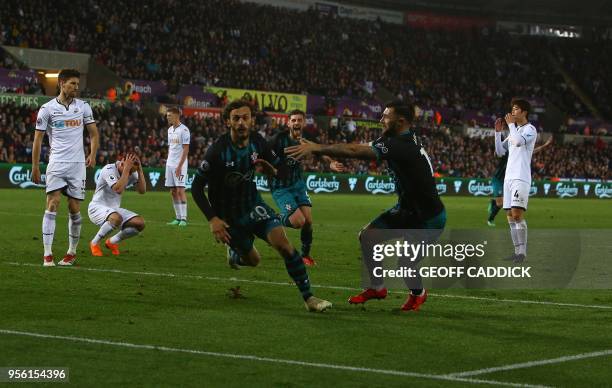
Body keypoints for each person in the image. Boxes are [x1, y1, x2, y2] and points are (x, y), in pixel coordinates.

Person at [286, 100, 446, 311]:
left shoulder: (400, 144)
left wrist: (317, 147)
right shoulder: (397, 137)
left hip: (427, 218)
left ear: (400, 121)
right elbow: (361, 148)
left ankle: (418, 294)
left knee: (405, 265)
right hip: (407, 209)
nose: (381, 119)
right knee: (368, 235)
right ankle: (377, 288)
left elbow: (354, 151)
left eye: (386, 116)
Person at [191, 100, 332, 312]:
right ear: (228, 122)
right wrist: (213, 220)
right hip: (229, 217)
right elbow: (196, 188)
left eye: (245, 118)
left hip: (254, 206)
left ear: (252, 121)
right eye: (236, 118)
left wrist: (272, 170)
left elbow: (282, 172)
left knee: (285, 246)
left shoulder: (259, 142)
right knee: (253, 260)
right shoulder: (217, 151)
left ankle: (309, 298)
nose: (241, 122)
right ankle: (235, 254)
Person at [32, 68, 99, 267]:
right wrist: (35, 166)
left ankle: (71, 252)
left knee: (74, 208)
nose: (76, 88)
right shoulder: (47, 109)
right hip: (57, 164)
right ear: (61, 84)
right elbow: (38, 140)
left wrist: (92, 153)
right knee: (52, 203)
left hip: (78, 165)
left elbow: (93, 134)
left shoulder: (84, 107)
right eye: (72, 84)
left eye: (77, 84)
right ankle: (47, 254)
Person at [268, 109, 344, 266]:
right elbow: (263, 156)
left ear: (303, 122)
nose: (296, 123)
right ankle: (273, 218)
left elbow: (320, 152)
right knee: (298, 222)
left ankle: (305, 256)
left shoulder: (307, 138)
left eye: (299, 120)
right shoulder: (277, 140)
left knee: (308, 221)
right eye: (293, 120)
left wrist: (330, 162)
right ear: (288, 122)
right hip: (280, 187)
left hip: (298, 184)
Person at [495, 98, 538, 263]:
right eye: (512, 109)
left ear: (524, 112)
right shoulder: (514, 131)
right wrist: (498, 133)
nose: (512, 112)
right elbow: (499, 151)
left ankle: (522, 253)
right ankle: (517, 252)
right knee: (509, 216)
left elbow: (519, 142)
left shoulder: (530, 129)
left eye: (516, 109)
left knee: (517, 214)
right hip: (509, 178)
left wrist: (511, 126)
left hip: (521, 177)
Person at [488, 119, 552, 226]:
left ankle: (494, 205)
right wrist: (497, 134)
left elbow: (531, 151)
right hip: (498, 178)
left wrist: (544, 146)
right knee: (501, 203)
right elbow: (497, 152)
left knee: (508, 207)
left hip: (509, 179)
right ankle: (490, 219)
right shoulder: (507, 149)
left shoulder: (520, 149)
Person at [88, 153, 146, 256]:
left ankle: (112, 242)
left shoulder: (132, 171)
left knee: (140, 224)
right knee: (116, 218)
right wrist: (127, 170)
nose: (131, 173)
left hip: (114, 209)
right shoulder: (109, 169)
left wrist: (140, 170)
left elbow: (142, 191)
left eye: (133, 170)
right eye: (131, 170)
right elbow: (117, 189)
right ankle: (94, 243)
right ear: (122, 162)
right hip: (97, 208)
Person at [165, 107, 190, 226]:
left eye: (169, 115)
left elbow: (186, 149)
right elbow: (171, 147)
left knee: (180, 190)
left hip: (180, 164)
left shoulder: (184, 130)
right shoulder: (169, 130)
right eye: (167, 115)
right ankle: (178, 217)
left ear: (176, 116)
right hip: (170, 164)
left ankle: (184, 218)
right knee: (173, 191)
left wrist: (180, 166)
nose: (167, 117)